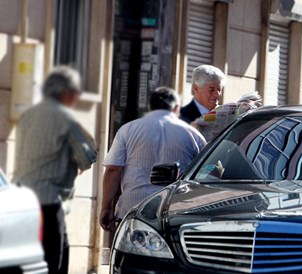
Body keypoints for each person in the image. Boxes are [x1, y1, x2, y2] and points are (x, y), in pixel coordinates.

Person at [13, 66, 97, 274]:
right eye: (76, 93)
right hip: (49, 201)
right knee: (54, 260)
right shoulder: (65, 118)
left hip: (22, 197)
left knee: (28, 259)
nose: (76, 98)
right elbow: (86, 156)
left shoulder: (28, 115)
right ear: (66, 93)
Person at [100, 86, 207, 232]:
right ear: (176, 108)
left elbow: (113, 170)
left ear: (150, 107)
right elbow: (206, 172)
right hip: (174, 211)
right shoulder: (193, 135)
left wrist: (106, 208)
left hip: (132, 209)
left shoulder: (127, 129)